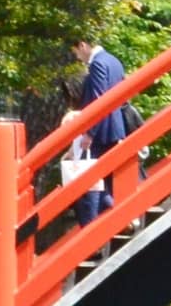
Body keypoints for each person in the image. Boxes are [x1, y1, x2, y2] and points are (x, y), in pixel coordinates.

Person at [60, 36, 141, 232]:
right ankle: (123, 215)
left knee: (90, 180)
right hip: (115, 126)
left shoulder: (97, 64)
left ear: (82, 45)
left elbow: (98, 100)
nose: (78, 57)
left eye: (77, 52)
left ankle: (103, 223)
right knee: (106, 178)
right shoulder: (114, 61)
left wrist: (89, 132)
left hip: (100, 130)